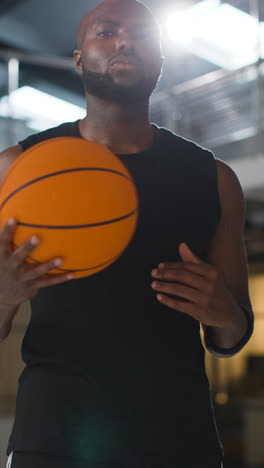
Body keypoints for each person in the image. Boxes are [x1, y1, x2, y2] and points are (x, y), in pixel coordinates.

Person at [1, 0, 254, 467]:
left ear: (160, 58)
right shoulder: (18, 169)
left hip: (179, 443)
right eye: (106, 32)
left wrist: (224, 313)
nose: (125, 41)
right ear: (78, 59)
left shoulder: (213, 178)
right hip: (54, 440)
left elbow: (231, 336)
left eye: (141, 34)